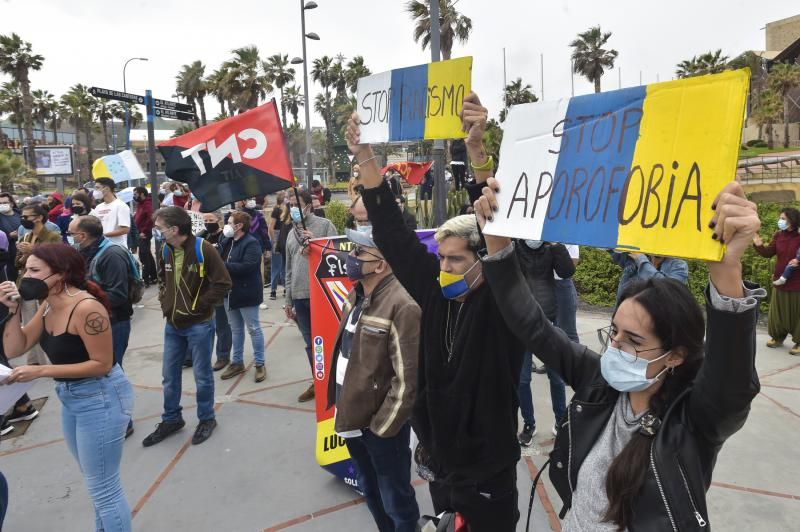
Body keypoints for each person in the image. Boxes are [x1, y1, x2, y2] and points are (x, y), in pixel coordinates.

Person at [475, 172, 764, 530]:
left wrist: (728, 273)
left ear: (676, 355)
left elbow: (730, 383)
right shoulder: (598, 383)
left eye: (634, 340)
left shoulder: (693, 421)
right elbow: (532, 326)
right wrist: (498, 244)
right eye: (614, 331)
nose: (615, 347)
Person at [346, 98, 525, 531]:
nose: (444, 268)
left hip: (488, 472)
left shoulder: (503, 306)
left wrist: (478, 154)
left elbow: (498, 227)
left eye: (457, 260)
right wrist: (364, 155)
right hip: (438, 463)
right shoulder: (433, 290)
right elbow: (390, 229)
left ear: (484, 262)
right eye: (441, 258)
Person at [0, 243, 134, 532]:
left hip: (102, 396)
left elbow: (103, 363)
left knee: (105, 489)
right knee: (95, 480)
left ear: (61, 274)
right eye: (25, 269)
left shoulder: (86, 308)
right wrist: (13, 312)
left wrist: (41, 370)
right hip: (71, 397)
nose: (26, 275)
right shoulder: (48, 303)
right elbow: (15, 346)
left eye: (35, 270)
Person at [326, 216, 421, 532]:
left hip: (380, 429)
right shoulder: (356, 294)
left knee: (397, 500)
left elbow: (408, 380)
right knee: (371, 491)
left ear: (380, 265)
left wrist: (383, 428)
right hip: (353, 420)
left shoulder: (403, 305)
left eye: (359, 253)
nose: (351, 258)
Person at [142, 207, 232, 447]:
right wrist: (165, 303)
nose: (157, 232)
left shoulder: (205, 249)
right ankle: (172, 419)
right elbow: (163, 279)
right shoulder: (165, 249)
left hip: (199, 324)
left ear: (173, 229)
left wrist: (199, 307)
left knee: (202, 377)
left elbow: (223, 283)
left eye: (160, 228)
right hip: (172, 324)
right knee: (169, 377)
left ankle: (207, 419)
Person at [514, 239, 575, 445]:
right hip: (522, 320)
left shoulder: (551, 247)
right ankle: (529, 423)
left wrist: (558, 246)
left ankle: (560, 421)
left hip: (548, 318)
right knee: (522, 380)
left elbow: (567, 272)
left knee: (556, 377)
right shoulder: (514, 247)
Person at [285, 189, 337, 402]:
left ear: (309, 205)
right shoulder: (290, 233)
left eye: (296, 204)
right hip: (298, 294)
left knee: (328, 340)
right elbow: (288, 269)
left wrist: (317, 244)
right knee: (310, 343)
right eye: (290, 204)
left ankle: (335, 381)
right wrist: (288, 300)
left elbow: (337, 254)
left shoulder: (324, 226)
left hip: (320, 292)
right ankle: (319, 381)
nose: (293, 208)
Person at [218, 211, 267, 382]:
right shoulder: (227, 241)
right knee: (236, 330)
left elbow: (248, 266)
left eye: (230, 222)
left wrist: (223, 266)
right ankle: (237, 362)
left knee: (253, 329)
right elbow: (218, 257)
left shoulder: (251, 243)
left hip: (246, 293)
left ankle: (260, 364)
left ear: (239, 226)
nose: (227, 225)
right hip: (229, 293)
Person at [16, 204, 61, 369]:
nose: (23, 220)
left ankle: (52, 359)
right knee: (29, 323)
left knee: (47, 323)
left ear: (39, 218)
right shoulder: (25, 236)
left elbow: (57, 259)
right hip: (27, 286)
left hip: (44, 287)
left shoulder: (52, 236)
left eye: (26, 217)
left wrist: (34, 250)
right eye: (22, 216)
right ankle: (35, 360)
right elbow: (18, 263)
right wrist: (25, 254)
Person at [753, 207, 800, 354]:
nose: (780, 221)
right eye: (780, 218)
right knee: (777, 313)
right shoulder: (778, 235)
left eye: (783, 219)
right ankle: (778, 337)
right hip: (780, 280)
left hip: (797, 282)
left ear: (792, 220)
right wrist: (758, 244)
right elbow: (768, 253)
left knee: (797, 313)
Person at [197, 211, 233, 371]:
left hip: (217, 286)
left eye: (211, 220)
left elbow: (223, 260)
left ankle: (223, 356)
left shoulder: (225, 238)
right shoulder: (201, 236)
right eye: (205, 220)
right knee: (202, 324)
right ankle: (195, 356)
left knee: (221, 324)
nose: (207, 222)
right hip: (202, 286)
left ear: (218, 220)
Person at [610, 251, 689, 306]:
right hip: (628, 317)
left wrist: (641, 261)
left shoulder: (679, 265)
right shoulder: (634, 258)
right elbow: (610, 243)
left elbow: (668, 289)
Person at [90, 177, 130, 247]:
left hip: (117, 248)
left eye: (97, 188)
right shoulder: (98, 207)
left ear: (107, 188)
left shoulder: (121, 205)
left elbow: (125, 229)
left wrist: (103, 235)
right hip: (101, 247)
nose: (95, 191)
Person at [133, 187, 157, 286]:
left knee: (143, 255)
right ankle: (154, 276)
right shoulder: (140, 204)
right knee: (147, 254)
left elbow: (151, 219)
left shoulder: (147, 203)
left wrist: (144, 231)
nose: (134, 196)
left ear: (142, 194)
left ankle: (146, 279)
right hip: (140, 232)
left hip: (144, 233)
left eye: (135, 194)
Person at [267, 192, 286, 301]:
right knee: (277, 265)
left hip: (283, 236)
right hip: (278, 236)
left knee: (284, 264)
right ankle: (273, 290)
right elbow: (271, 227)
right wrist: (274, 241)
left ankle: (285, 288)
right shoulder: (277, 210)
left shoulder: (285, 210)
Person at [0, 193, 21, 281]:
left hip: (22, 251)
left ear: (11, 203)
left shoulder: (21, 214)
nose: (2, 205)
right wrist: (9, 236)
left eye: (5, 203)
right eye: (0, 203)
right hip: (7, 254)